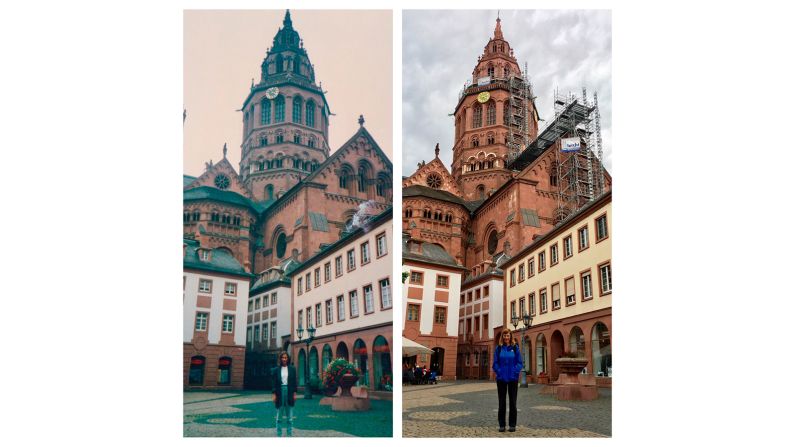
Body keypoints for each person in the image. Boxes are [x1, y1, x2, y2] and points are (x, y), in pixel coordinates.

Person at [492, 329, 523, 433]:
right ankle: (502, 425)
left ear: (511, 336)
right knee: (502, 402)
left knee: (513, 402)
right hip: (501, 379)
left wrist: (515, 371)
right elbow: (495, 363)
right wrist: (499, 371)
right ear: (502, 337)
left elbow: (519, 363)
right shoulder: (498, 349)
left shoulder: (515, 348)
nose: (506, 337)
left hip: (513, 379)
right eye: (504, 335)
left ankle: (512, 425)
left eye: (508, 335)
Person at [271, 351, 297, 436]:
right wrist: (274, 394)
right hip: (280, 391)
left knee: (290, 417)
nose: (284, 359)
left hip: (289, 391)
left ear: (288, 359)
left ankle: (289, 435)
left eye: (285, 357)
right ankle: (279, 435)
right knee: (279, 416)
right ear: (280, 359)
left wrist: (294, 394)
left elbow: (294, 382)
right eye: (282, 357)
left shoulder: (292, 369)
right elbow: (274, 383)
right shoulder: (276, 370)